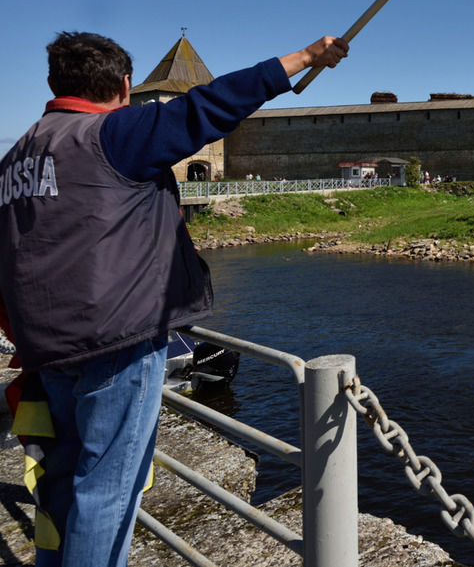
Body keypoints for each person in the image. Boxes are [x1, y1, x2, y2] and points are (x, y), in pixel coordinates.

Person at [0, 30, 348, 566]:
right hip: (114, 346)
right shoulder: (112, 135)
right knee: (106, 494)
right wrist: (305, 57)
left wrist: (19, 333)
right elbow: (209, 105)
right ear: (125, 85)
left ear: (52, 83)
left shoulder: (18, 157)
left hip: (47, 352)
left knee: (63, 484)